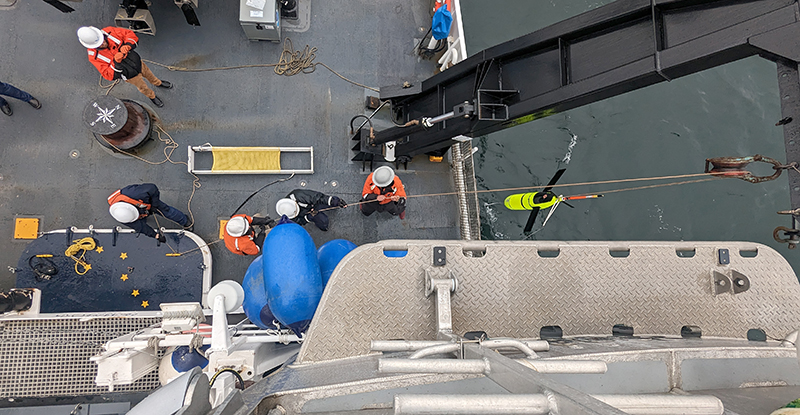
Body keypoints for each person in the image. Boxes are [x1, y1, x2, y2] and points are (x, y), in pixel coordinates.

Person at [77, 26, 173, 108]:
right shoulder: (94, 56)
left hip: (137, 62)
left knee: (149, 74)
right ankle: (152, 96)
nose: (103, 44)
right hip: (129, 75)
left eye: (102, 40)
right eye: (99, 44)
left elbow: (129, 35)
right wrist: (116, 63)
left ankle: (158, 83)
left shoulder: (110, 31)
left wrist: (127, 45)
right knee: (142, 87)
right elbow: (107, 75)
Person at [107, 183, 190, 242]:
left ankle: (185, 221)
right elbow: (140, 227)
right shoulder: (122, 216)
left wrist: (154, 205)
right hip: (139, 209)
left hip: (147, 201)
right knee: (142, 222)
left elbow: (152, 188)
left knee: (165, 210)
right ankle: (144, 215)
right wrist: (155, 235)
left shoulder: (136, 193)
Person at [275, 190, 347, 231]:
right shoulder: (289, 216)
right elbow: (300, 221)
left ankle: (336, 204)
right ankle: (324, 227)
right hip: (309, 214)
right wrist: (309, 217)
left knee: (327, 203)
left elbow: (317, 197)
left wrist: (334, 201)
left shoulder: (300, 195)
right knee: (323, 221)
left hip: (313, 205)